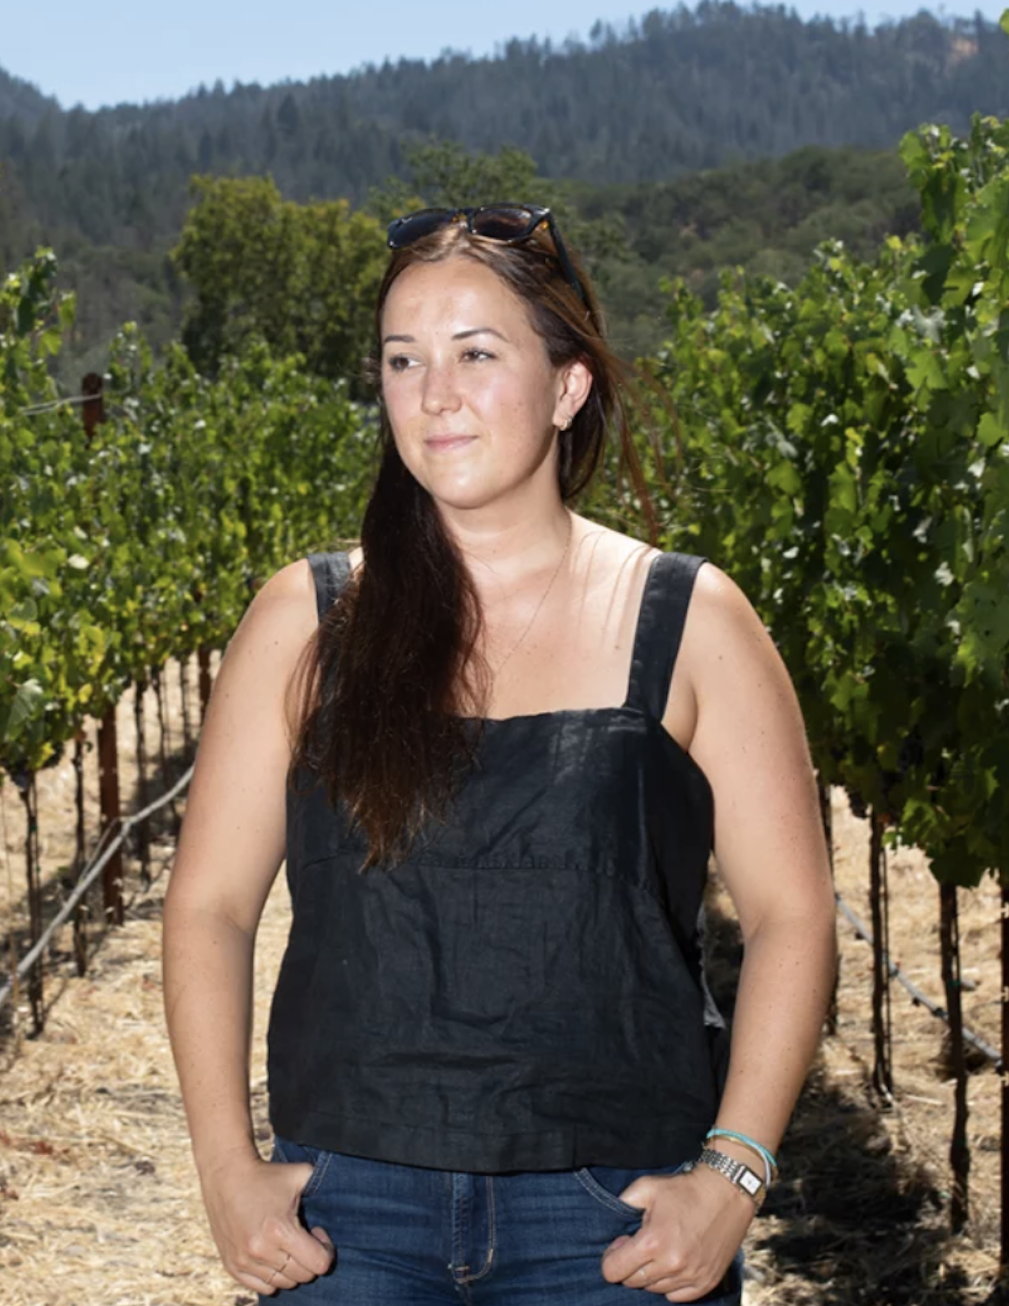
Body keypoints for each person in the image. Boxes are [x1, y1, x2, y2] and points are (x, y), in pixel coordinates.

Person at [162, 203, 837, 1303]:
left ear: (566, 386)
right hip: (349, 1219)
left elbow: (791, 914)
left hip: (614, 1221)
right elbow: (208, 907)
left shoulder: (688, 618)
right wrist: (225, 1171)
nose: (434, 394)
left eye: (476, 354)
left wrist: (733, 1176)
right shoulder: (306, 621)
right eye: (402, 359)